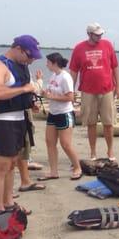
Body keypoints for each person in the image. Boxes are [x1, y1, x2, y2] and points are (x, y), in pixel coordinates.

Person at [0, 35, 42, 212]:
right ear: (18, 49)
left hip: (19, 120)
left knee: (12, 164)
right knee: (1, 167)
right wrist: (25, 89)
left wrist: (30, 102)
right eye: (29, 56)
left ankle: (9, 203)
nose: (31, 60)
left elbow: (19, 92)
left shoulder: (22, 66)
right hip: (2, 123)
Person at [69, 23, 119, 161]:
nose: (99, 36)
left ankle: (110, 151)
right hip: (87, 91)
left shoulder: (108, 45)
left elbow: (115, 67)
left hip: (107, 89)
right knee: (91, 123)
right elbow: (73, 71)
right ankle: (93, 152)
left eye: (101, 34)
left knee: (108, 123)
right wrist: (71, 91)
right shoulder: (79, 48)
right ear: (89, 34)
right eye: (96, 34)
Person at [37, 52, 83, 181]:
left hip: (65, 113)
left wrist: (51, 96)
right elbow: (49, 93)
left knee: (66, 144)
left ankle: (77, 167)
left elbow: (70, 97)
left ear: (54, 63)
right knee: (49, 142)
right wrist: (42, 88)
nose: (46, 64)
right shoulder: (53, 76)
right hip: (53, 113)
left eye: (48, 62)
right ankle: (53, 171)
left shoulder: (65, 77)